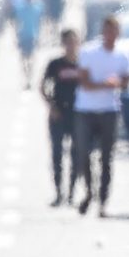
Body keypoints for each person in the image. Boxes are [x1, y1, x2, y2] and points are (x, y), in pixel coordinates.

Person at [73, 16, 129, 218]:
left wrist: (113, 84)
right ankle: (89, 191)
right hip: (86, 110)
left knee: (107, 158)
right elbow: (85, 83)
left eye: (114, 31)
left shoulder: (124, 55)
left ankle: (103, 200)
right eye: (107, 31)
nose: (110, 36)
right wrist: (107, 84)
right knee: (83, 154)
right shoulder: (89, 52)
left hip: (109, 110)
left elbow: (125, 82)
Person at [42, 29, 81, 206]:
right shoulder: (55, 64)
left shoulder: (83, 64)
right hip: (58, 114)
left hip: (78, 114)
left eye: (74, 42)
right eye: (68, 42)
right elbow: (44, 86)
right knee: (57, 154)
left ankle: (72, 192)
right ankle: (59, 193)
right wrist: (51, 106)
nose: (71, 46)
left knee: (76, 154)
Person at [16, 0, 43, 88]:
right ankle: (26, 76)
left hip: (31, 36)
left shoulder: (36, 8)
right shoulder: (21, 8)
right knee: (24, 58)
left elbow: (39, 22)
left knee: (30, 58)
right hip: (24, 36)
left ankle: (29, 77)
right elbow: (17, 22)